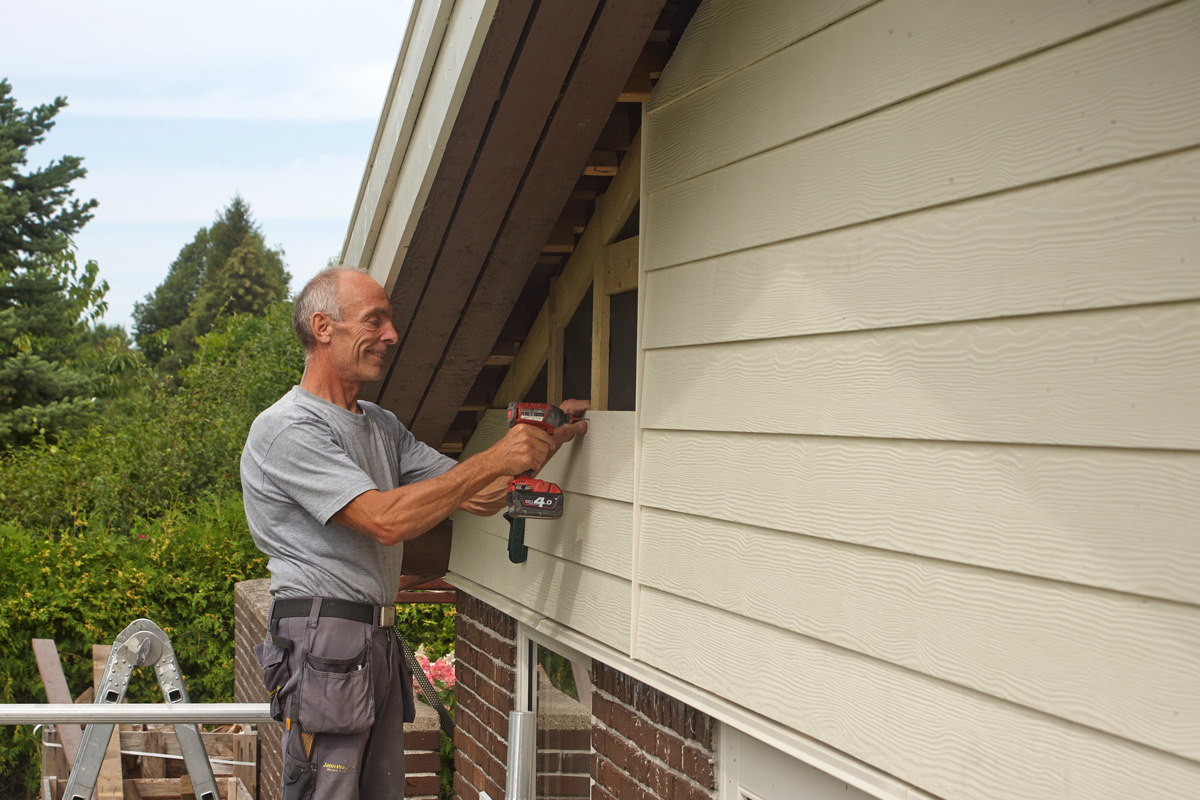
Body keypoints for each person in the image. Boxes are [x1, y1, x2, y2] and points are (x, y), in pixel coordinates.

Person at [241, 266, 587, 799]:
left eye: (390, 322)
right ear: (323, 327)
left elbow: (473, 496)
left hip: (372, 639)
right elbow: (385, 520)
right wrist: (495, 456)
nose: (391, 336)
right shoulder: (287, 429)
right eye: (374, 321)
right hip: (324, 640)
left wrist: (543, 444)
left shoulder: (379, 424)